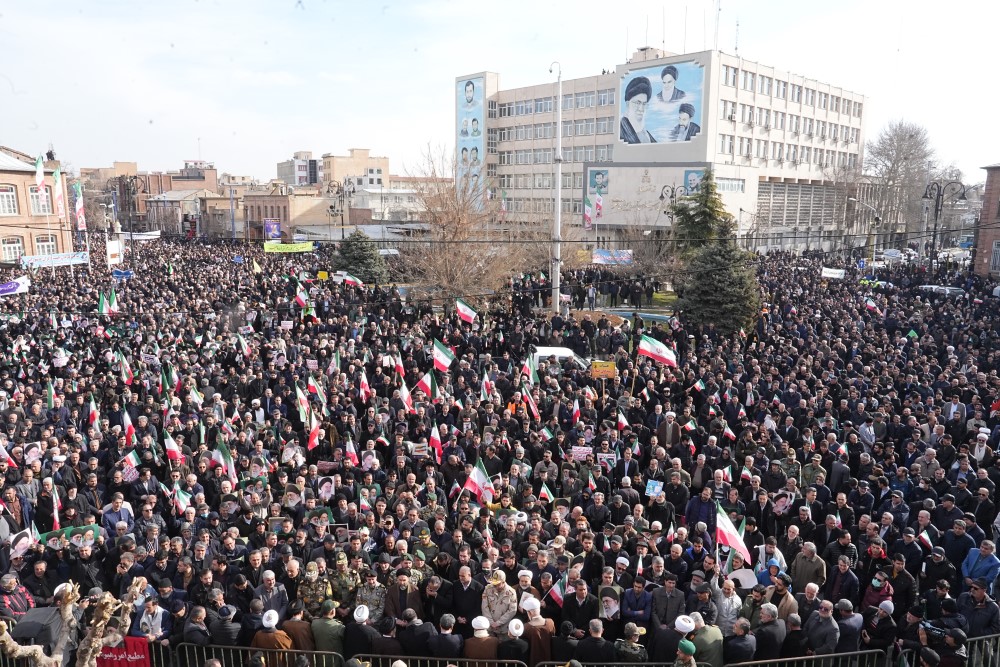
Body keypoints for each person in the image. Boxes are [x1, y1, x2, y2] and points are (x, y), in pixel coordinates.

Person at [620, 77, 656, 144]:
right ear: (628, 104)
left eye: (644, 104)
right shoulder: (620, 131)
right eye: (637, 103)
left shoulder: (647, 136)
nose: (641, 109)